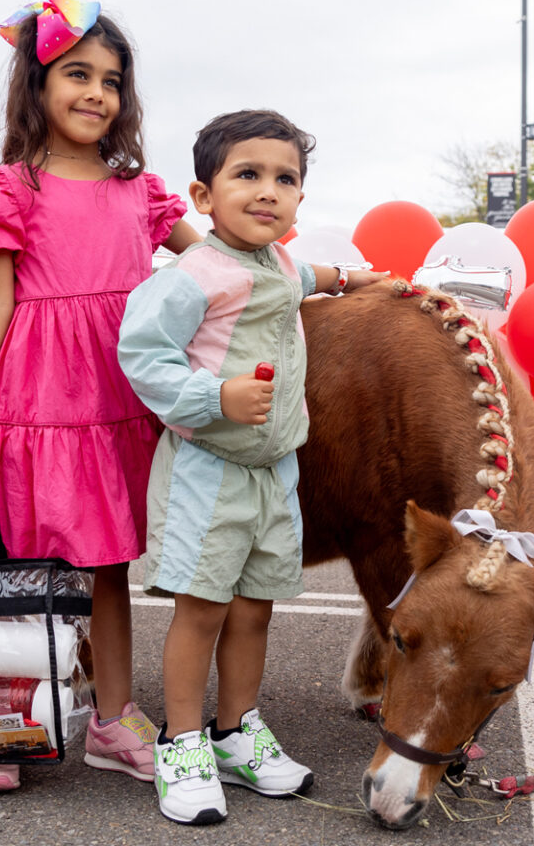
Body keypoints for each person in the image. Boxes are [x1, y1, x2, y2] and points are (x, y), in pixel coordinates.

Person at [0, 0, 201, 795]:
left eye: (111, 81)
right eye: (77, 74)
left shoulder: (140, 191)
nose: (96, 94)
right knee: (17, 566)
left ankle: (113, 720)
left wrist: (312, 277)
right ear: (36, 84)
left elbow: (216, 262)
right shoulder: (7, 187)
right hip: (33, 399)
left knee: (107, 562)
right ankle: (4, 719)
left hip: (116, 395)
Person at [119, 109, 386, 825]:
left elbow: (307, 279)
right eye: (247, 176)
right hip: (208, 470)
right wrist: (216, 396)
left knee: (254, 609)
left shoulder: (282, 264)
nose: (268, 191)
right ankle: (181, 743)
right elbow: (141, 355)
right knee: (202, 609)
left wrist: (353, 280)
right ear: (203, 198)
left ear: (299, 198)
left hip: (273, 474)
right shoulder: (192, 276)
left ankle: (235, 732)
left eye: (284, 179)